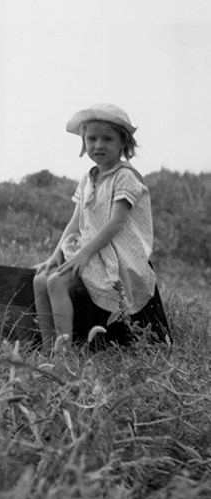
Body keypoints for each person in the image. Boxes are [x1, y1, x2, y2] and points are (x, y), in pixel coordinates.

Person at [33, 103, 163, 354]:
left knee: (57, 282)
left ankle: (63, 353)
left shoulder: (125, 176)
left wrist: (83, 255)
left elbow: (116, 223)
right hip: (90, 248)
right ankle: (48, 349)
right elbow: (75, 222)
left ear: (122, 142)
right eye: (92, 139)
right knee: (41, 278)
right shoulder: (88, 178)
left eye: (107, 139)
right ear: (84, 142)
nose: (98, 145)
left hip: (115, 252)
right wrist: (56, 254)